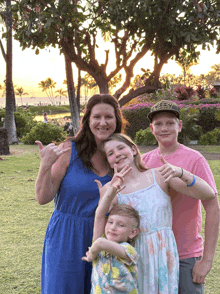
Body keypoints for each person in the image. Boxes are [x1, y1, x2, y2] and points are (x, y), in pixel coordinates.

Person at [100, 133, 215, 294]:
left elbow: (208, 193)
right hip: (132, 258)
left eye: (120, 148)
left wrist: (181, 172)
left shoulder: (159, 176)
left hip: (163, 254)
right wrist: (110, 192)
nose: (117, 154)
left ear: (133, 149)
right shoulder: (110, 189)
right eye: (110, 153)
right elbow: (101, 225)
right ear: (108, 161)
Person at [35, 94, 126, 294]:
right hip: (67, 237)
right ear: (88, 121)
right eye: (97, 117)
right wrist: (45, 165)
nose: (103, 122)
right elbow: (43, 198)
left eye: (109, 117)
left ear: (117, 121)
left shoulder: (120, 153)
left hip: (106, 237)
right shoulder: (69, 149)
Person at [142, 100, 220, 294]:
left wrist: (207, 260)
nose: (164, 128)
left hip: (185, 256)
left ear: (179, 125)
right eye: (158, 124)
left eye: (170, 122)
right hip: (153, 254)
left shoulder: (194, 159)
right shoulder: (144, 161)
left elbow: (213, 207)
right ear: (151, 129)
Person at [82, 165, 140, 293]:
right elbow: (100, 214)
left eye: (121, 225)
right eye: (111, 222)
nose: (113, 227)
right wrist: (112, 190)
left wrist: (92, 254)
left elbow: (100, 244)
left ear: (133, 233)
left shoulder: (129, 251)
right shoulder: (99, 241)